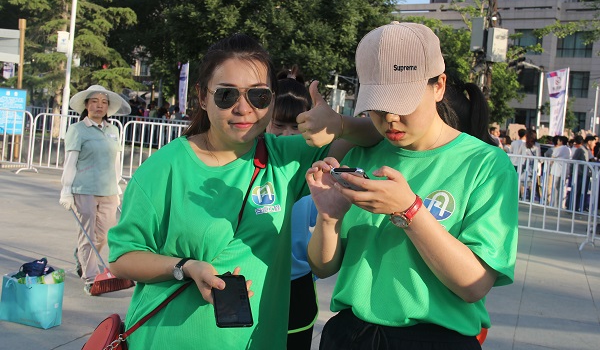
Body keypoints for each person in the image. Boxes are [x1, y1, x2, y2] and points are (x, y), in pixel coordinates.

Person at [107, 33, 381, 349]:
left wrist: (340, 123)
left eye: (258, 96)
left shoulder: (284, 158)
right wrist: (185, 267)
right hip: (168, 339)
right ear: (202, 97)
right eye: (226, 95)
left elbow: (376, 134)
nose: (243, 108)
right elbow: (122, 257)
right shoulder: (164, 168)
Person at [305, 22, 519, 349]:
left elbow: (474, 285)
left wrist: (410, 211)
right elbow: (323, 267)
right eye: (378, 106)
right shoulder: (361, 153)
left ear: (439, 86)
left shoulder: (485, 164)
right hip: (350, 334)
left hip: (436, 339)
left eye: (403, 103)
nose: (390, 118)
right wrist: (328, 218)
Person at [58, 85, 131, 295]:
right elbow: (70, 162)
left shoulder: (113, 130)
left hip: (108, 189)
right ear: (86, 105)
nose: (99, 106)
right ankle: (90, 277)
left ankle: (81, 256)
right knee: (87, 233)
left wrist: (117, 186)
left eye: (104, 102)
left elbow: (115, 161)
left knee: (105, 234)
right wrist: (66, 190)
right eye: (94, 102)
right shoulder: (77, 130)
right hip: (84, 189)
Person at [266, 73, 318, 350]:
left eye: (296, 127)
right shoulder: (248, 169)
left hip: (297, 287)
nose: (287, 135)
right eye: (279, 125)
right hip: (252, 284)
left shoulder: (311, 176)